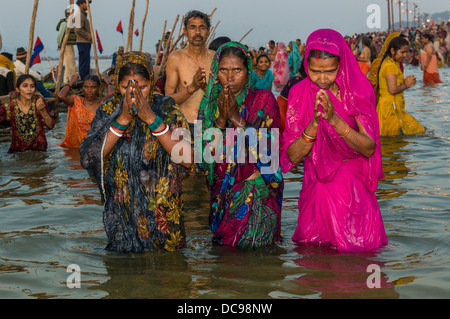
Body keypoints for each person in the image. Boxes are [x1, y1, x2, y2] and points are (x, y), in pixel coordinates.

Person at [281, 29, 387, 252]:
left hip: (351, 187)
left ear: (342, 65)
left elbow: (369, 148)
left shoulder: (358, 91)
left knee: (357, 256)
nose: (321, 78)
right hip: (315, 182)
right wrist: (315, 123)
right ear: (305, 65)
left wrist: (334, 120)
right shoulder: (299, 92)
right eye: (314, 71)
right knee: (313, 256)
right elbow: (293, 155)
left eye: (329, 71)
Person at [80, 51, 193, 253]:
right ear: (116, 85)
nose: (134, 94)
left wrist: (151, 119)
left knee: (169, 274)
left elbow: (188, 159)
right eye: (126, 87)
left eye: (142, 87)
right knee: (124, 273)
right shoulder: (108, 110)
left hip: (162, 210)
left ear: (151, 82)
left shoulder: (166, 107)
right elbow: (90, 157)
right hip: (123, 210)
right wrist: (122, 119)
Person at [196, 42, 284, 249]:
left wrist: (236, 119)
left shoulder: (264, 100)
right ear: (215, 72)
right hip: (223, 195)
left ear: (248, 71)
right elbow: (204, 158)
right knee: (226, 263)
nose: (230, 76)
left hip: (256, 192)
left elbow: (270, 155)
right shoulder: (208, 104)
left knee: (259, 261)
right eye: (223, 70)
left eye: (237, 70)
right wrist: (220, 121)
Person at [165, 10, 214, 139]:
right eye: (192, 27)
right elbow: (168, 101)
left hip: (210, 125)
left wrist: (205, 88)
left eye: (202, 27)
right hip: (183, 124)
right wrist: (192, 87)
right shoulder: (176, 58)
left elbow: (223, 98)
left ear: (208, 31)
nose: (197, 32)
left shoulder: (216, 59)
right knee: (184, 159)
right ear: (185, 32)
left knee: (210, 159)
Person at [376, 37, 425, 136]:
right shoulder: (390, 66)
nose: (405, 55)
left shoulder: (392, 62)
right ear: (393, 50)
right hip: (389, 109)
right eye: (402, 52)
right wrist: (406, 85)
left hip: (391, 107)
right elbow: (392, 90)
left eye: (406, 52)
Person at [0, 74, 55, 153]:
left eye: (32, 86)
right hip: (18, 153)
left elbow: (51, 126)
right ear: (18, 89)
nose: (29, 89)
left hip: (40, 151)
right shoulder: (9, 107)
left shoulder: (38, 101)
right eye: (25, 86)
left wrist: (42, 111)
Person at [59, 73, 114, 148]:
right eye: (86, 87)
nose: (89, 91)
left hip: (95, 146)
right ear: (82, 88)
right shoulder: (76, 101)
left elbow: (112, 95)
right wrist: (71, 81)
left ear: (98, 88)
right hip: (77, 146)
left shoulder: (101, 103)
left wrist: (108, 81)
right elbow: (61, 96)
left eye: (93, 87)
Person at [277, 63, 307, 133]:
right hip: (284, 111)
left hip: (285, 109)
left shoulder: (298, 78)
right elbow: (295, 109)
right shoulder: (298, 81)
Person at [57, 6, 77, 83]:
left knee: (68, 64)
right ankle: (73, 82)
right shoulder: (64, 23)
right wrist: (59, 44)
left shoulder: (71, 23)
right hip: (66, 45)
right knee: (71, 65)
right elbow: (59, 36)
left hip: (69, 45)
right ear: (67, 14)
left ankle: (66, 82)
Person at [74, 0, 92, 81]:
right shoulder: (79, 15)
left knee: (86, 64)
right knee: (84, 64)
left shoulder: (83, 15)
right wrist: (88, 36)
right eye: (87, 3)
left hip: (85, 42)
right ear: (81, 4)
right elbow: (78, 30)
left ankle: (85, 80)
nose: (88, 5)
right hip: (83, 42)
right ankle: (83, 81)